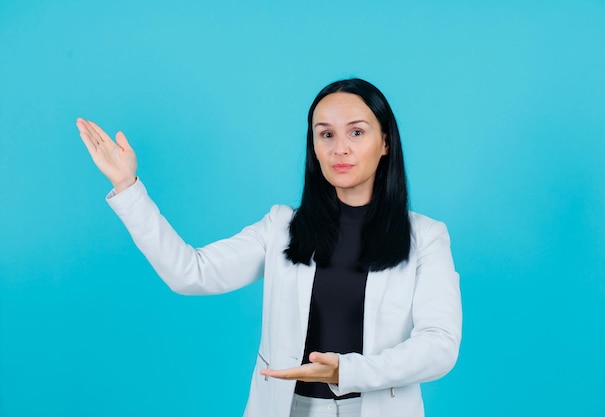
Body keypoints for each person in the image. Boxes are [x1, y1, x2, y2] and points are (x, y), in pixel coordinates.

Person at [76, 78, 462, 417]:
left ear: (385, 143)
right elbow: (189, 273)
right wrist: (128, 187)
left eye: (356, 133)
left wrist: (346, 371)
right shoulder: (280, 226)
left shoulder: (425, 236)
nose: (339, 148)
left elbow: (439, 345)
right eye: (326, 134)